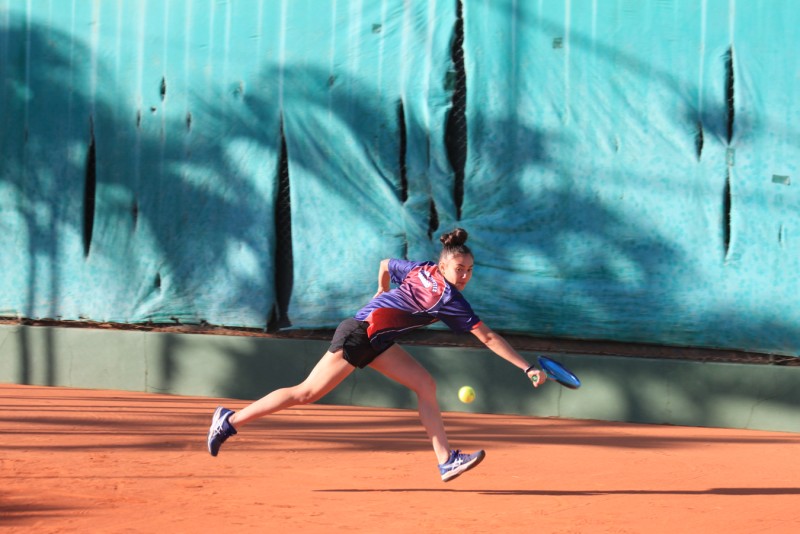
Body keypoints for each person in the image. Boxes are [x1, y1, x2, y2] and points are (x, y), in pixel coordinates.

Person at [207, 228, 544, 482]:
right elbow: (486, 336)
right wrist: (526, 366)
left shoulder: (422, 268)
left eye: (470, 270)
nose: (466, 276)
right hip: (359, 335)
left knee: (424, 385)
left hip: (375, 338)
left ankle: (446, 460)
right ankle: (229, 421)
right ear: (444, 266)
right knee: (305, 393)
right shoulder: (448, 299)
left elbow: (385, 263)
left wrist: (381, 289)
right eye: (460, 269)